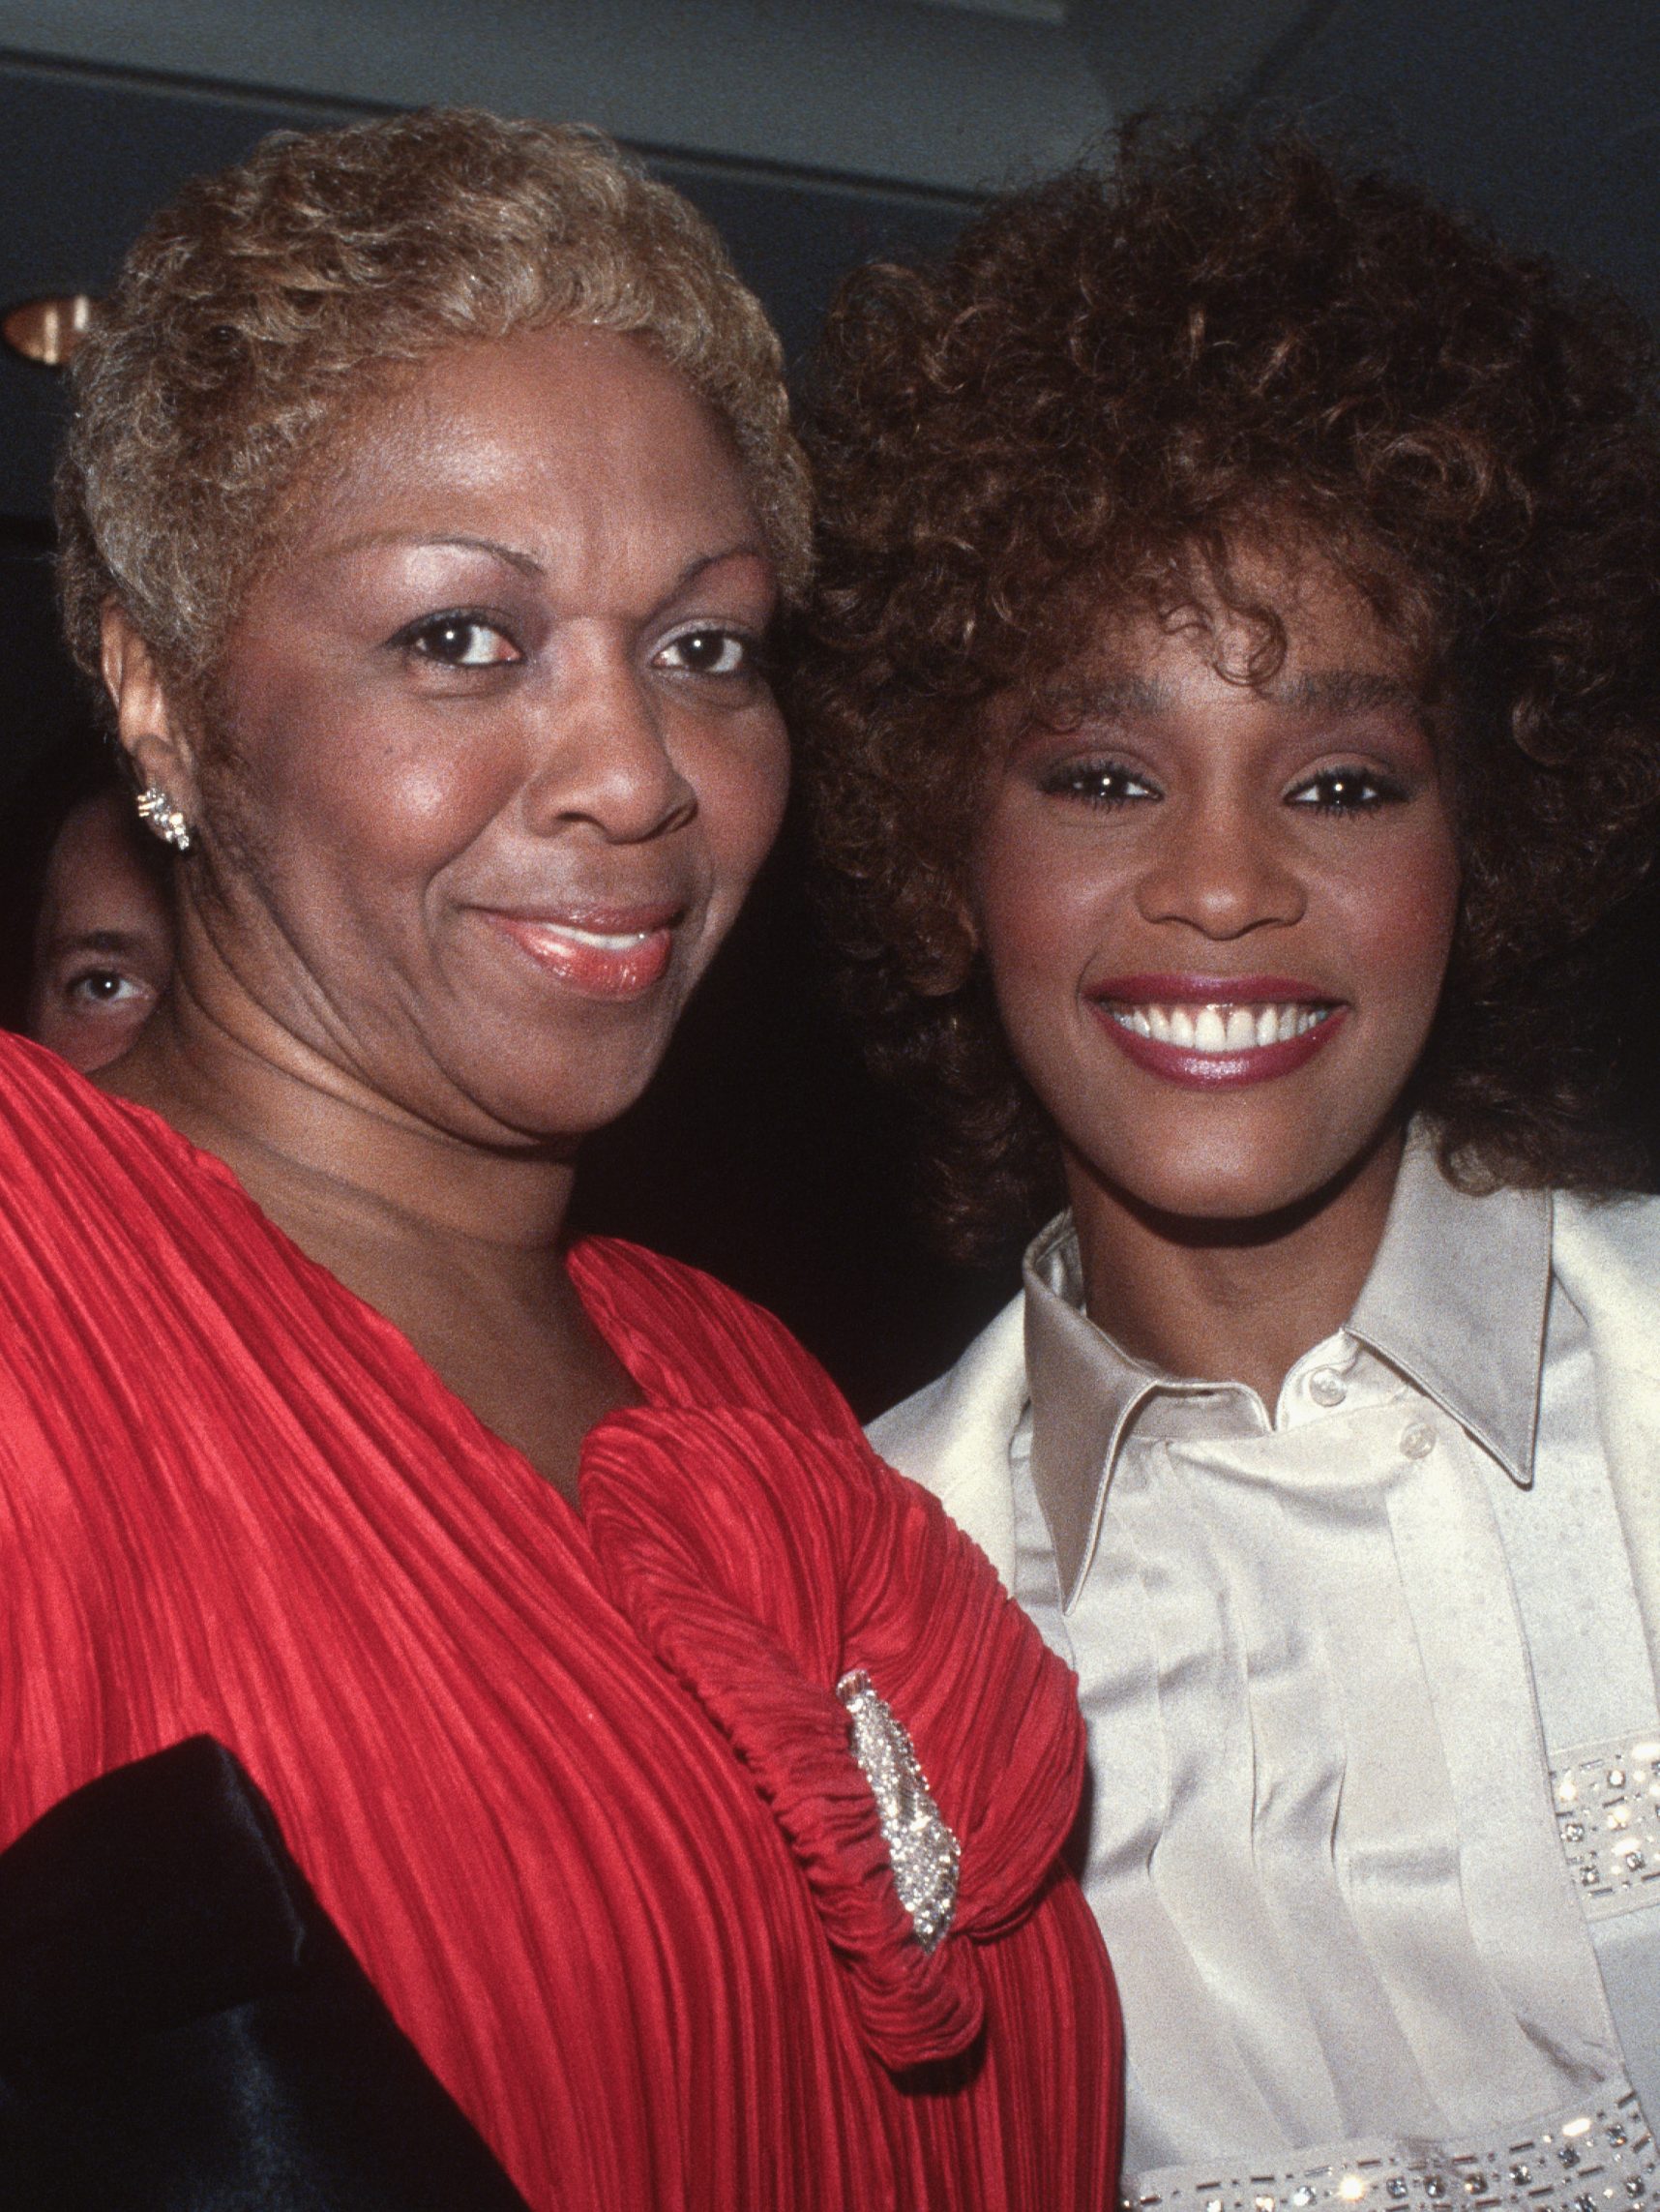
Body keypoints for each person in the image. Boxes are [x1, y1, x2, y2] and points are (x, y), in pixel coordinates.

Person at [0, 110, 1120, 2206]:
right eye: (462, 638)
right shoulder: (31, 1295)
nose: (636, 776)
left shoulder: (744, 1382)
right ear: (158, 697)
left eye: (705, 649)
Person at [800, 124, 1660, 2208]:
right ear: (944, 842)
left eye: (1343, 782)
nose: (1217, 884)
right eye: (1103, 776)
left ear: (1491, 838)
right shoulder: (855, 1617)